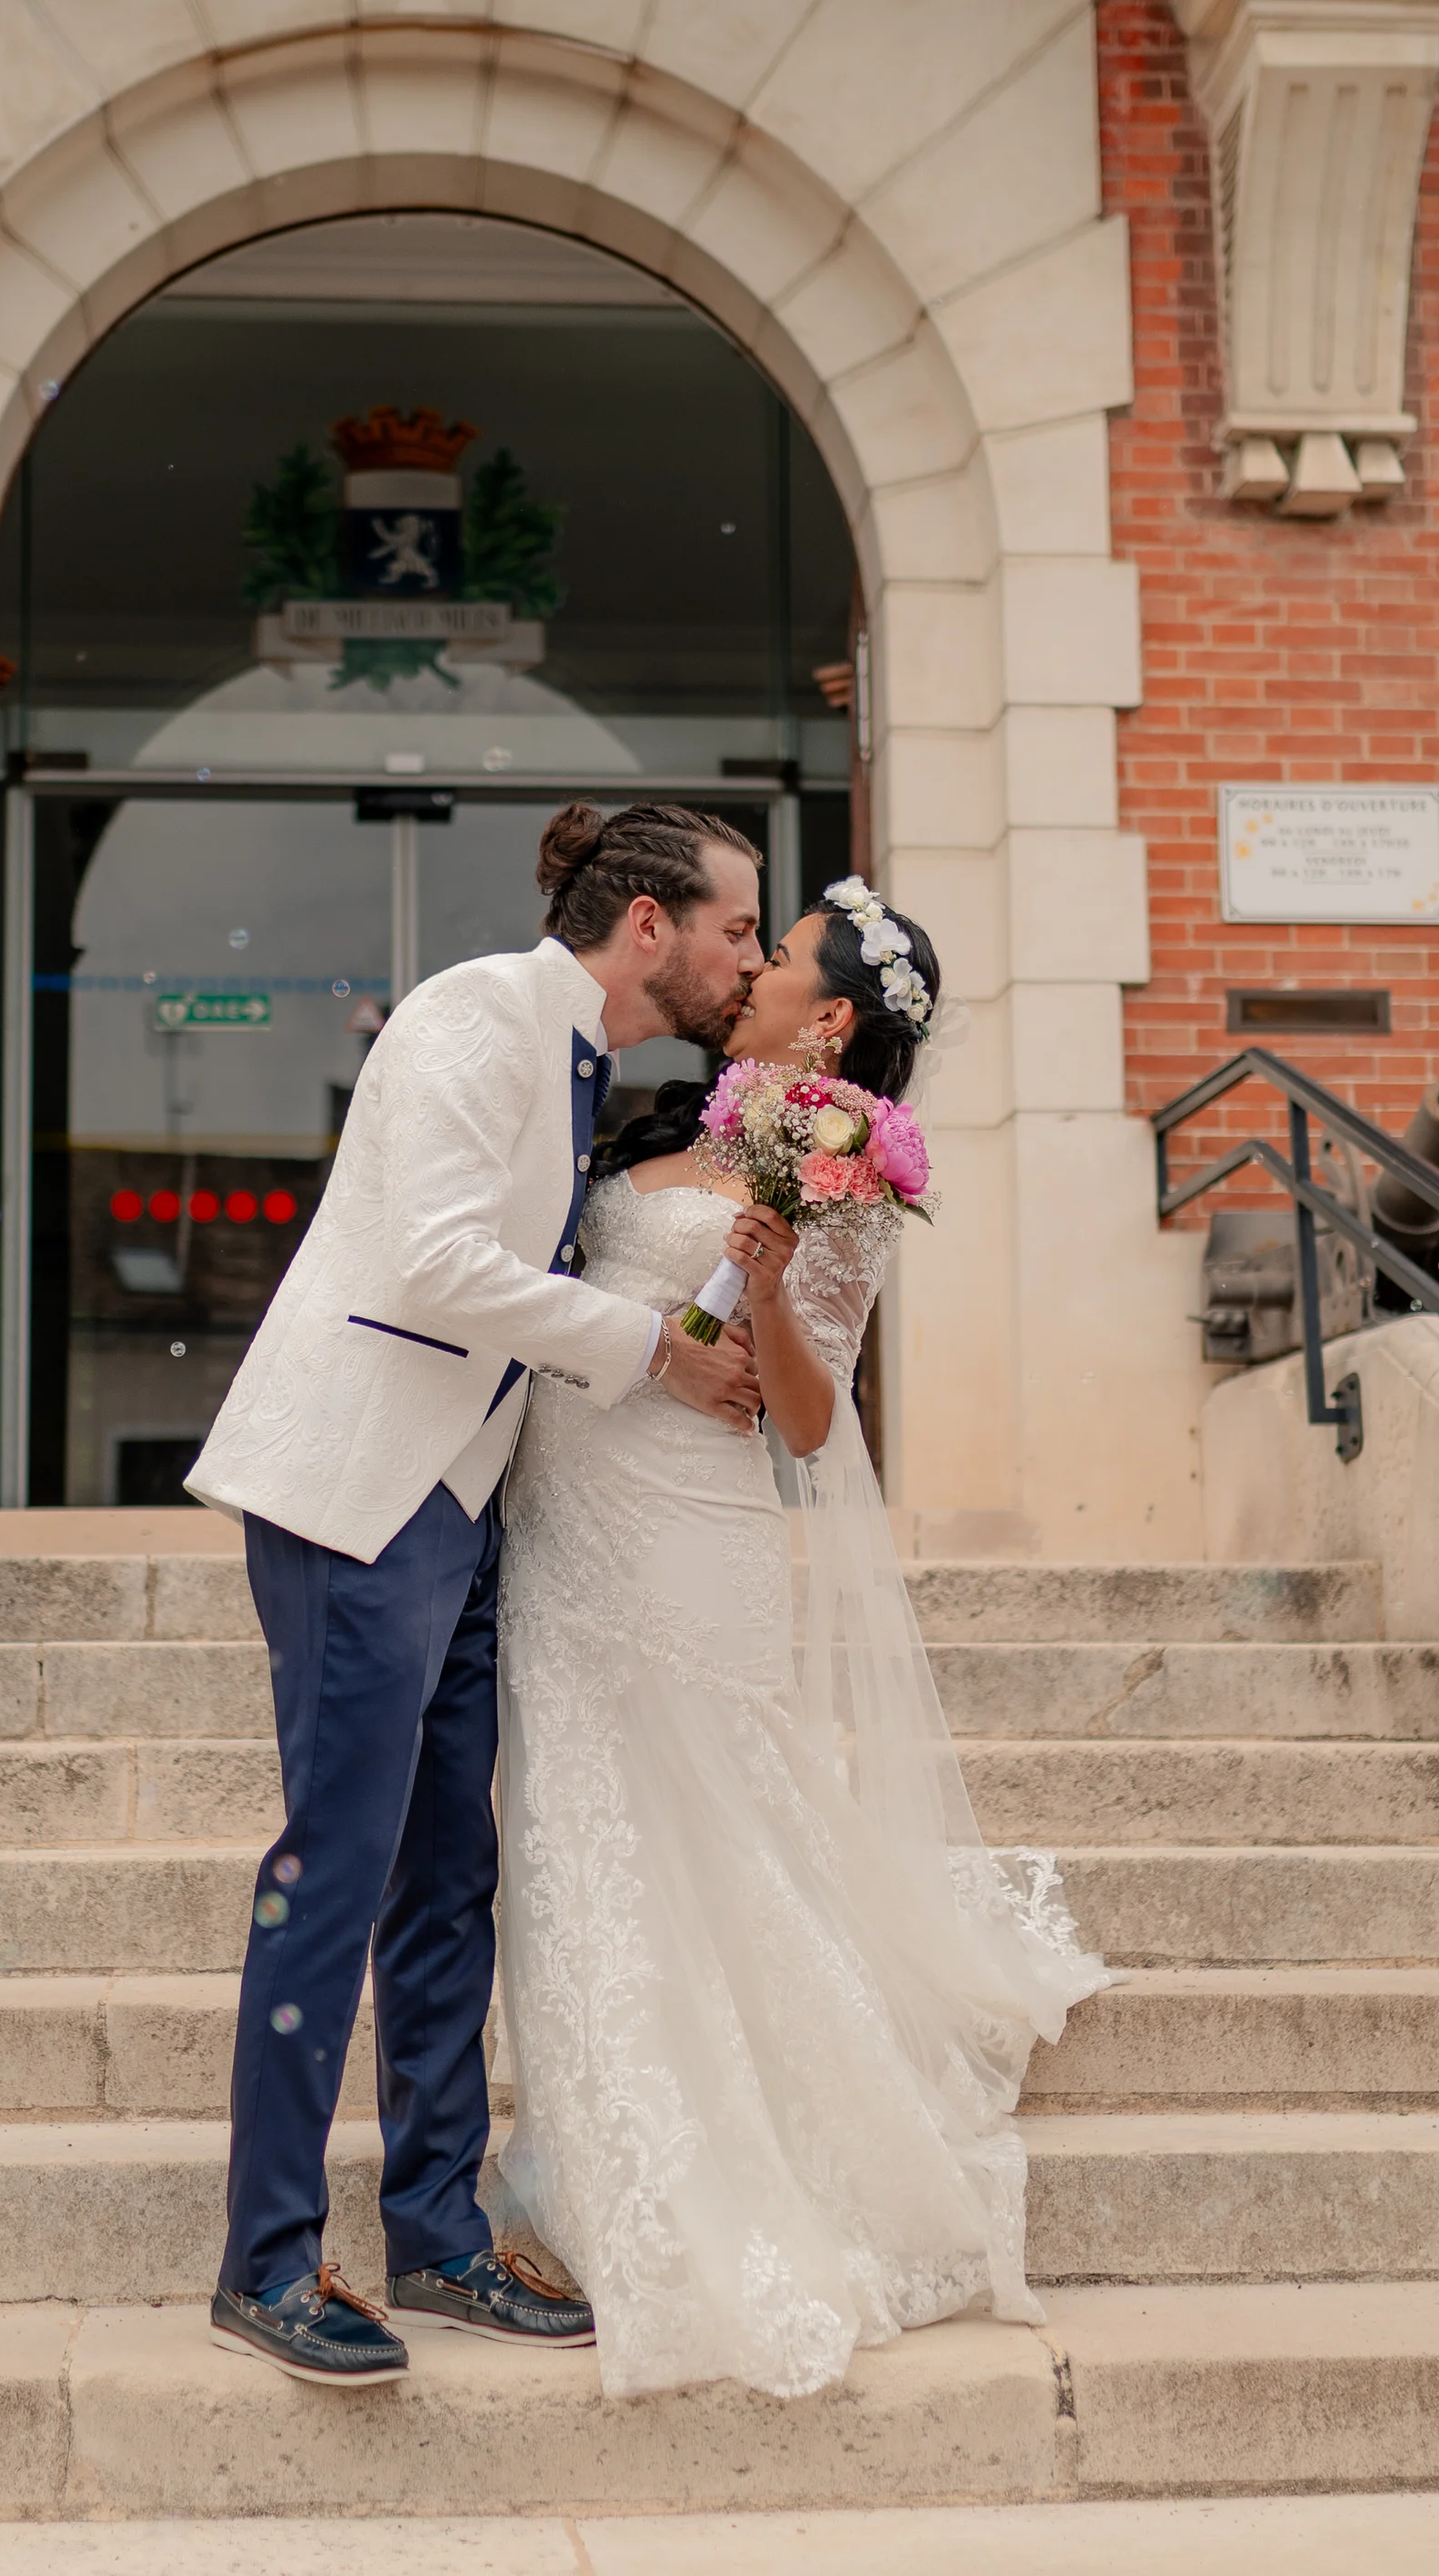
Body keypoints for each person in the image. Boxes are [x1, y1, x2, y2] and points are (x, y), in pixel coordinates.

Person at [496, 869, 1114, 2402]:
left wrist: (767, 1283)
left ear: (828, 1015)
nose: (752, 965)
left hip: (692, 1533)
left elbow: (814, 1412)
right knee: (579, 1829)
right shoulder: (659, 1123)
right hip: (564, 1524)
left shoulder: (837, 1166)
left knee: (707, 1824)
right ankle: (592, 2123)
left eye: (777, 954)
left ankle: (700, 2156)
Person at [185, 802, 767, 2385]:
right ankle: (267, 2263)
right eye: (737, 925)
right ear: (648, 924)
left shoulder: (583, 1056)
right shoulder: (469, 1016)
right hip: (358, 1492)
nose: (752, 956)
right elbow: (439, 1261)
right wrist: (651, 1347)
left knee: (450, 1877)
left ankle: (436, 2234)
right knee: (341, 1861)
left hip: (461, 1503)